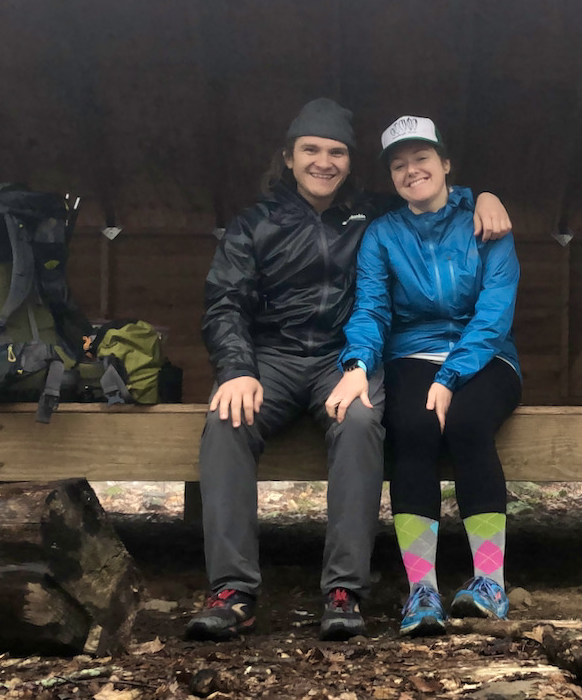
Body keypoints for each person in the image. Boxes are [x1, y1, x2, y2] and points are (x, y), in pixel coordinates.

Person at [187, 99, 512, 642]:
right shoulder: (254, 224)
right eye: (310, 150)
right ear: (288, 158)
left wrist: (484, 196)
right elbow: (224, 302)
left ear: (349, 162)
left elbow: (429, 198)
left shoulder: (371, 215)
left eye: (336, 151)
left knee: (361, 424)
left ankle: (344, 590)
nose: (324, 161)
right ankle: (232, 590)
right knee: (226, 424)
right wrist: (237, 368)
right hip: (271, 360)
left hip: (344, 361)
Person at [332, 115, 521, 636]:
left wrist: (452, 375)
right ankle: (423, 591)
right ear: (391, 178)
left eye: (421, 159)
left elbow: (494, 312)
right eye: (399, 165)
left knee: (465, 425)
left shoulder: (487, 223)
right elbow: (371, 309)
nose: (411, 170)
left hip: (486, 354)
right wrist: (357, 365)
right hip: (412, 353)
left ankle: (489, 583)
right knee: (412, 430)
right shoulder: (383, 235)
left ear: (445, 164)